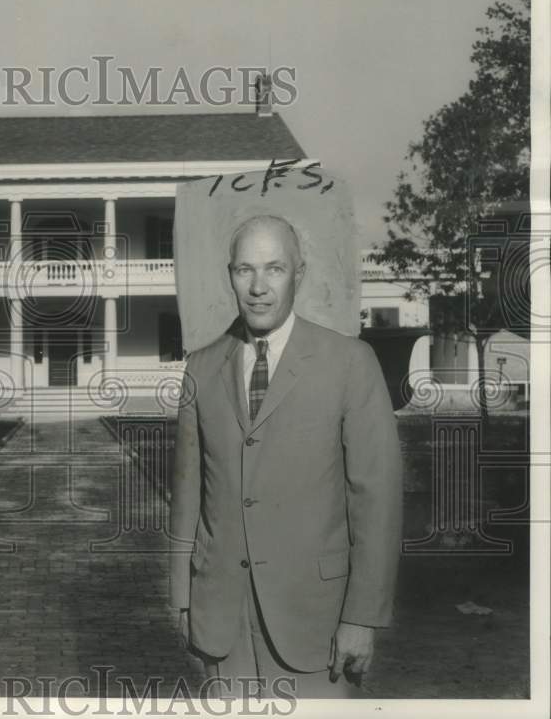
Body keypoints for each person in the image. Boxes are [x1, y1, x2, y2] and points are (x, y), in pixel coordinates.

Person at [169, 213, 403, 699]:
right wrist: (183, 596)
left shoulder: (349, 363)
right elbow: (188, 492)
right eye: (244, 270)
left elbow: (376, 500)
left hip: (314, 621)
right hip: (222, 619)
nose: (257, 286)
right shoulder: (201, 367)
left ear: (299, 273)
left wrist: (361, 616)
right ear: (229, 274)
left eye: (273, 269)